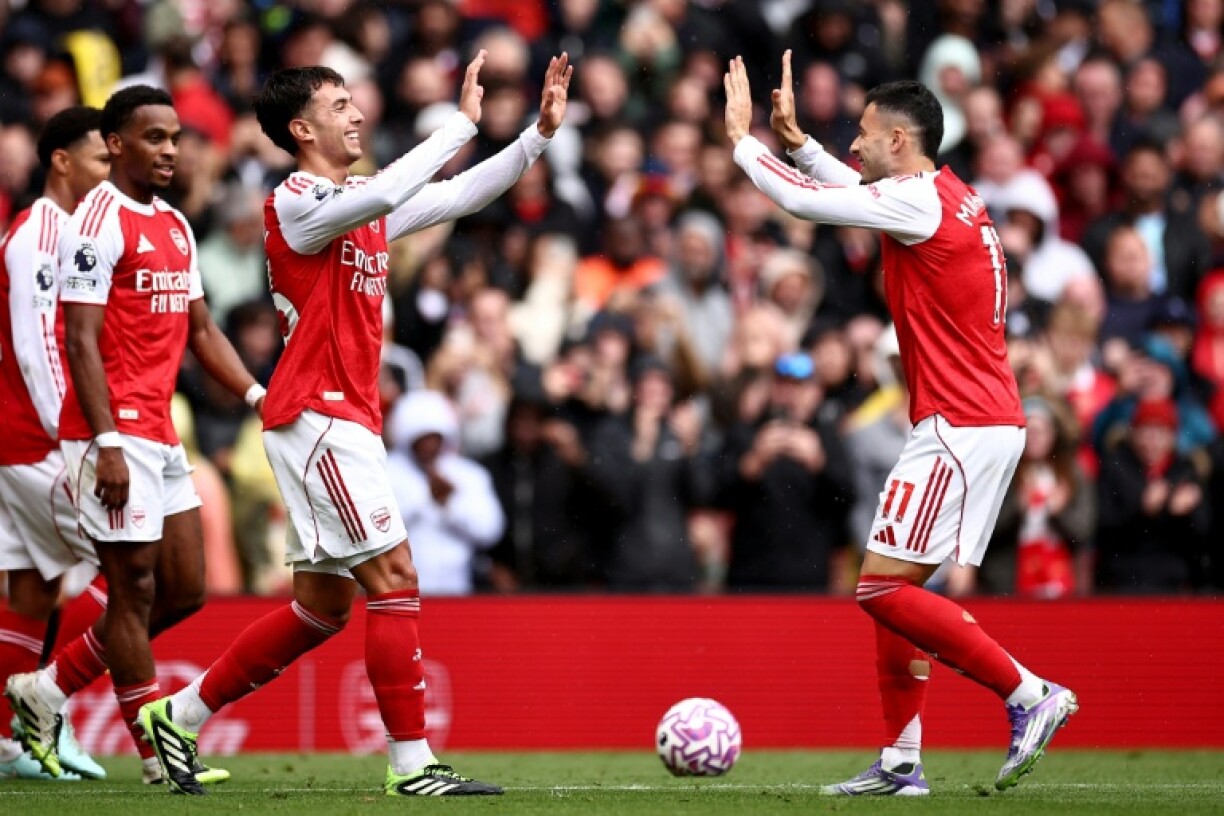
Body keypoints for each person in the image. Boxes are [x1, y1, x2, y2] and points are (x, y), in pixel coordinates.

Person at [135, 51, 572, 797]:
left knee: (321, 609)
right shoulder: (296, 202)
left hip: (343, 419)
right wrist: (461, 123)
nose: (359, 113)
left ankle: (177, 715)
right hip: (319, 416)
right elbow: (399, 186)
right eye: (340, 105)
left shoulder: (358, 204)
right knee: (396, 578)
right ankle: (413, 764)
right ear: (301, 129)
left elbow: (457, 195)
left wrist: (536, 136)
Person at [723, 52, 1078, 795]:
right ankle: (900, 762)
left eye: (862, 132)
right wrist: (799, 144)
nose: (853, 143)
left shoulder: (916, 203)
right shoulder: (945, 194)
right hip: (974, 416)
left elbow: (806, 206)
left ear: (898, 140)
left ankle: (1028, 693)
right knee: (895, 591)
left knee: (882, 591)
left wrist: (743, 144)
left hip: (959, 421)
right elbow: (853, 190)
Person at [5, 87, 261, 785]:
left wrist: (258, 396)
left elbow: (202, 329)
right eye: (155, 138)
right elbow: (79, 341)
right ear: (116, 144)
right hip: (110, 434)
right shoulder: (94, 222)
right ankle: (158, 758)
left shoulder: (175, 223)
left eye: (175, 137)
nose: (171, 150)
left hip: (161, 430)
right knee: (132, 588)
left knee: (186, 589)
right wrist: (107, 442)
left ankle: (47, 688)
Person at [0, 106, 111, 781]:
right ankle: (50, 705)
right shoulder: (38, 234)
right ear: (62, 161)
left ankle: (8, 744)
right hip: (39, 441)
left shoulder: (72, 233)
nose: (110, 172)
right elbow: (37, 348)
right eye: (101, 159)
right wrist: (73, 438)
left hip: (27, 438)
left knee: (33, 590)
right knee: (133, 568)